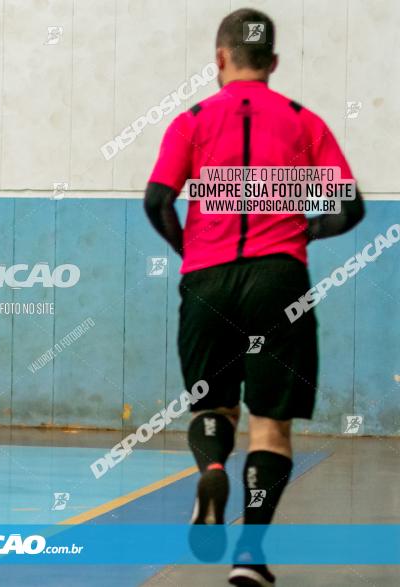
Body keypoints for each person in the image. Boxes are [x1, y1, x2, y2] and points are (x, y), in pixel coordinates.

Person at [144, 9, 364, 586]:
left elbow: (157, 201)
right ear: (273, 63)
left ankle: (213, 466)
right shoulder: (304, 120)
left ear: (220, 59)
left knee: (212, 407)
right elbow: (350, 208)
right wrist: (308, 229)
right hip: (278, 280)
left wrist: (190, 252)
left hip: (208, 279)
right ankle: (249, 556)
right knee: (271, 427)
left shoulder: (191, 119)